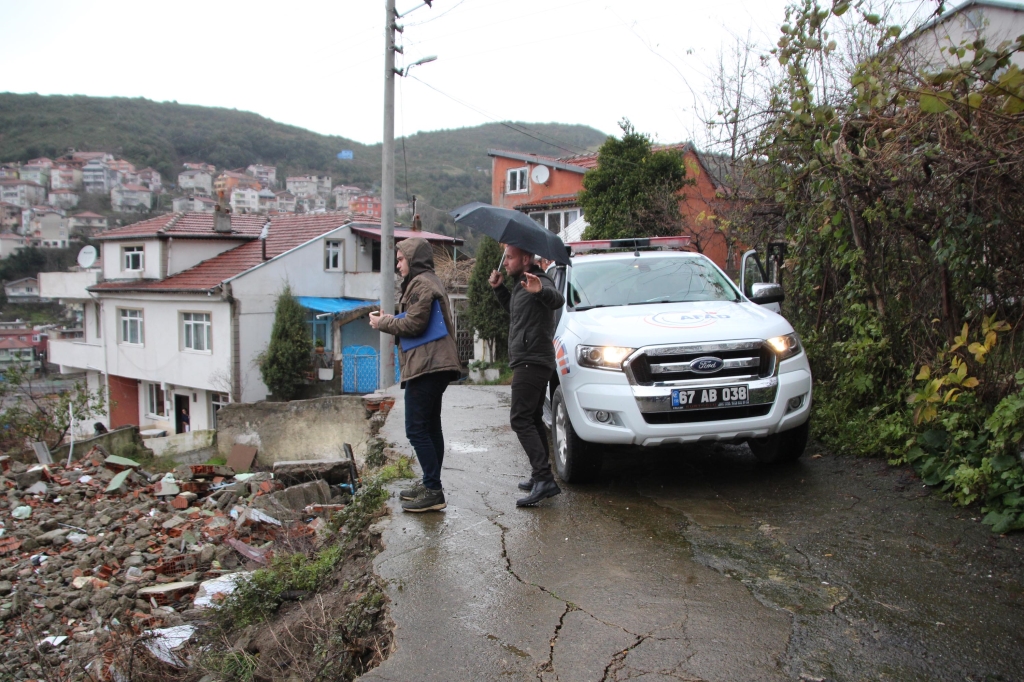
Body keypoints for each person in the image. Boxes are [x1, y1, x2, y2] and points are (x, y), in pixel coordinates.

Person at [370, 238, 462, 512]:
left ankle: (433, 490)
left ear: (413, 259)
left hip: (428, 365)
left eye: (401, 259)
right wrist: (391, 320)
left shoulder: (422, 283)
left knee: (415, 428)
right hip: (432, 363)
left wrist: (383, 322)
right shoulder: (426, 281)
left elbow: (415, 324)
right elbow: (417, 320)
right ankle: (430, 483)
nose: (398, 265)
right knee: (430, 427)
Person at [489, 245, 565, 507]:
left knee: (519, 419)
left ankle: (544, 479)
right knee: (532, 417)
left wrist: (540, 290)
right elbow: (517, 314)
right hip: (530, 359)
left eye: (510, 258)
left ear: (525, 259)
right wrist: (499, 289)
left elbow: (557, 300)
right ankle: (539, 475)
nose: (505, 262)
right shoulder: (521, 284)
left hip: (533, 360)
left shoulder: (539, 280)